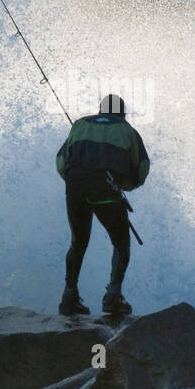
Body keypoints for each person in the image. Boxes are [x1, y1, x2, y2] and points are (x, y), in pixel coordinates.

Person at [56, 94, 150, 316]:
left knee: (78, 242)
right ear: (122, 113)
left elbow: (61, 161)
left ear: (99, 111)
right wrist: (124, 186)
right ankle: (113, 297)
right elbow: (142, 168)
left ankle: (69, 297)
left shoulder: (80, 124)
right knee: (121, 243)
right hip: (107, 191)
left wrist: (77, 182)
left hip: (75, 189)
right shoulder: (128, 131)